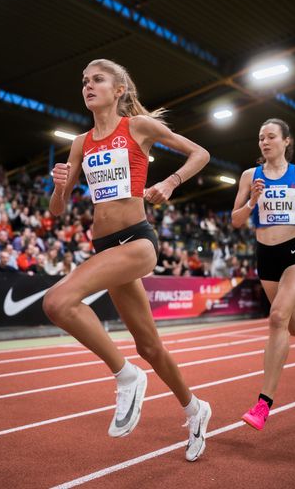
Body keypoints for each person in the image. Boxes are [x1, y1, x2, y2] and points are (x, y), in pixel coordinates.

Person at [43, 58, 211, 461]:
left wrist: (170, 182)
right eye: (84, 81)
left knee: (57, 302)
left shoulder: (137, 127)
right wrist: (61, 187)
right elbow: (57, 211)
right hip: (105, 247)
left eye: (97, 80)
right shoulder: (81, 142)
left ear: (119, 90)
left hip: (137, 241)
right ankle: (195, 409)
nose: (88, 86)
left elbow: (199, 153)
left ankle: (126, 376)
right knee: (150, 346)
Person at [232, 118, 295, 431]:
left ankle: (263, 403)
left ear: (286, 141)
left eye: (271, 136)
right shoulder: (250, 176)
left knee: (276, 319)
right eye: (261, 137)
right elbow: (235, 220)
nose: (264, 142)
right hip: (266, 258)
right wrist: (251, 202)